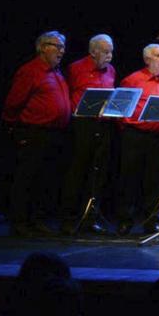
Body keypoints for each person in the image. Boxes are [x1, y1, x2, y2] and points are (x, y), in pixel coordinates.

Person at [2, 31, 71, 237]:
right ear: (42, 48)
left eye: (63, 47)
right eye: (57, 46)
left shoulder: (56, 72)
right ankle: (20, 223)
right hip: (33, 133)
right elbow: (12, 104)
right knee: (27, 179)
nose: (61, 50)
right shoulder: (30, 71)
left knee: (45, 181)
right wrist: (17, 130)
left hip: (54, 134)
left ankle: (37, 220)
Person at [59, 34, 116, 235]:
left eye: (111, 51)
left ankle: (90, 218)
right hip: (82, 126)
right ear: (93, 52)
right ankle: (69, 219)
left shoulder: (111, 70)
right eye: (106, 51)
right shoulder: (75, 68)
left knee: (97, 173)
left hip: (103, 126)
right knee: (77, 172)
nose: (110, 55)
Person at [115, 44, 159, 236]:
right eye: (158, 55)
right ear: (147, 59)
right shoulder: (132, 79)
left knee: (154, 182)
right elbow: (120, 109)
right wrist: (129, 128)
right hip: (135, 136)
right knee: (130, 179)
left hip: (158, 137)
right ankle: (125, 220)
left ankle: (152, 221)